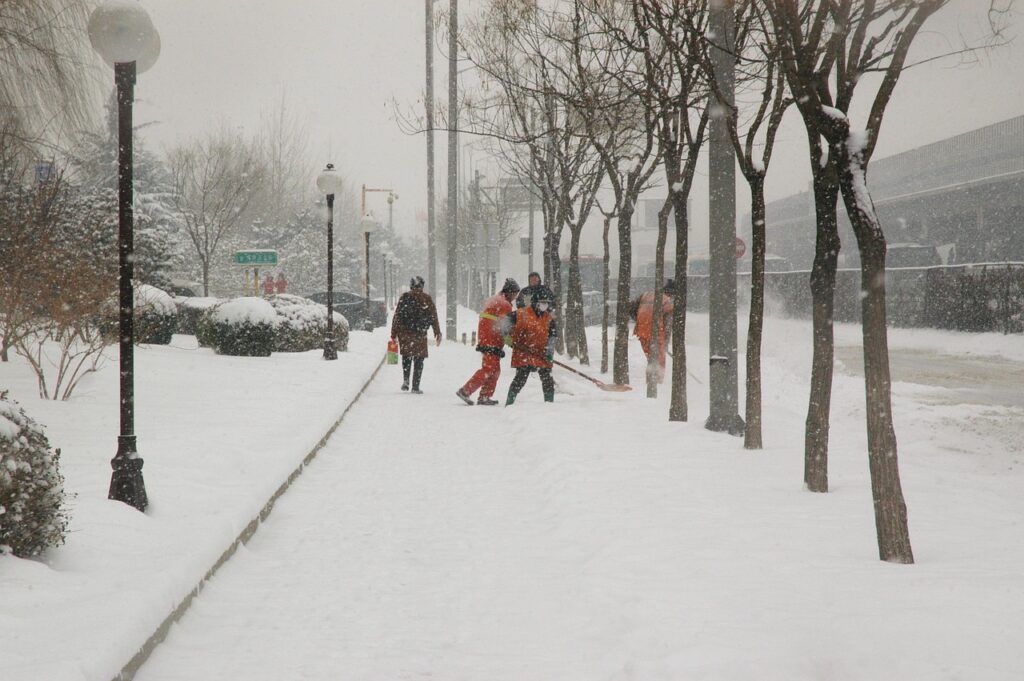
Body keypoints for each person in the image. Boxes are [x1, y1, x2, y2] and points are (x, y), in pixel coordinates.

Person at [456, 278, 520, 406]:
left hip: (486, 338)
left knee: (494, 370)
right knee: (488, 369)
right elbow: (505, 326)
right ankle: (465, 391)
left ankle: (485, 396)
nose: (515, 297)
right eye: (515, 294)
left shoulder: (493, 299)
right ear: (510, 292)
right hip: (493, 340)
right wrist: (512, 342)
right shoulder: (504, 304)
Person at [505, 288, 557, 405]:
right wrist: (508, 338)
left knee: (547, 380)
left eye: (546, 303)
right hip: (524, 352)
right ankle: (509, 403)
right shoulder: (521, 313)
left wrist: (549, 352)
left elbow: (552, 336)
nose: (545, 305)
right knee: (520, 380)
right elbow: (503, 323)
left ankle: (550, 405)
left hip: (541, 353)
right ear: (535, 302)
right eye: (542, 302)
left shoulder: (548, 318)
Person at [390, 276, 441, 394]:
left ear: (411, 285)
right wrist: (437, 332)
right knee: (419, 360)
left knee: (406, 357)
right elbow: (433, 316)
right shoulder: (426, 299)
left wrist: (394, 333)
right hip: (420, 334)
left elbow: (397, 316)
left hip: (405, 333)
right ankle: (415, 386)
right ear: (422, 286)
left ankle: (406, 380)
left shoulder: (405, 297)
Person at [630, 279, 675, 382]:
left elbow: (631, 308)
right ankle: (656, 384)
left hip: (642, 331)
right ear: (671, 293)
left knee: (651, 357)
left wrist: (639, 320)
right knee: (659, 360)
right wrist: (666, 343)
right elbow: (668, 326)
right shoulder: (667, 302)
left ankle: (651, 381)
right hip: (657, 333)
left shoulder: (646, 295)